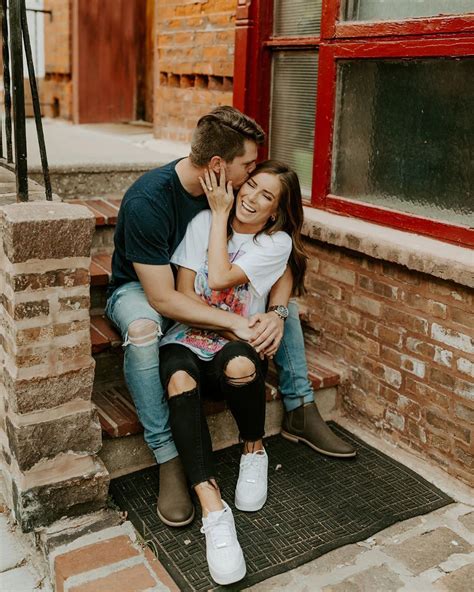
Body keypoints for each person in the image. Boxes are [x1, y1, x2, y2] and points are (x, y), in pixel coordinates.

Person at [106, 105, 354, 528]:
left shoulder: (229, 197)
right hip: (145, 289)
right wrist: (239, 323)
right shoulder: (151, 200)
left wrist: (275, 312)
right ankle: (168, 456)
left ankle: (298, 406)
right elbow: (165, 300)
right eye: (249, 166)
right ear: (218, 165)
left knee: (279, 309)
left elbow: (284, 259)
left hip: (206, 293)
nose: (252, 177)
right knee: (145, 330)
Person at [159, 161, 307, 585]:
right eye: (252, 185)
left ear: (276, 212)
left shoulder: (274, 244)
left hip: (235, 345)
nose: (251, 197)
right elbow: (185, 294)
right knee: (179, 380)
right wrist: (216, 216)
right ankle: (213, 509)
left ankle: (254, 450)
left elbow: (221, 278)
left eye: (266, 196)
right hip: (187, 338)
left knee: (243, 365)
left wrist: (222, 213)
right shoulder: (203, 221)